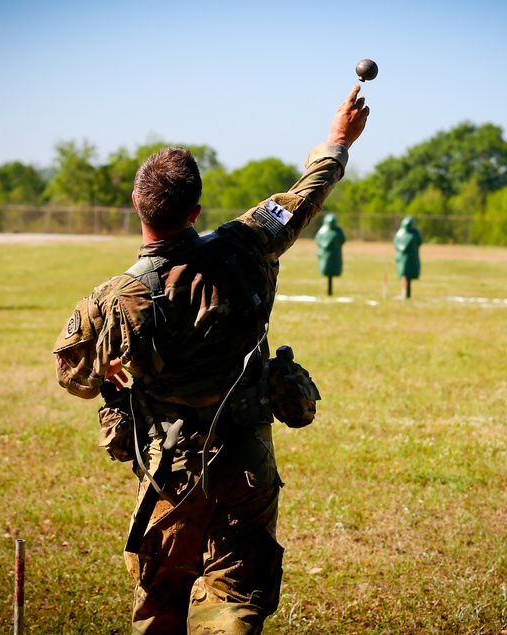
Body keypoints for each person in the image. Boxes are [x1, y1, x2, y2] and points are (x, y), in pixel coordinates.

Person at [53, 85, 369, 634]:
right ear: (195, 210)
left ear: (137, 203)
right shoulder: (247, 245)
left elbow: (72, 376)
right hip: (246, 460)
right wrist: (338, 139)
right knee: (236, 601)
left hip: (172, 471)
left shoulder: (112, 300)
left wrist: (108, 369)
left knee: (164, 599)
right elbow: (305, 194)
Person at [314, 213, 346, 296]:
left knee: (334, 269)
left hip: (335, 255)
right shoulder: (323, 230)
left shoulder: (337, 231)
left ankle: (330, 292)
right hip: (326, 255)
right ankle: (329, 292)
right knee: (325, 268)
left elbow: (343, 239)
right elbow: (318, 239)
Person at [393, 216, 422, 299]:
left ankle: (407, 294)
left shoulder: (414, 233)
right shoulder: (400, 232)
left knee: (408, 276)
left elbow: (419, 241)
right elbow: (396, 242)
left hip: (411, 258)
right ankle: (404, 293)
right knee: (403, 275)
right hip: (402, 258)